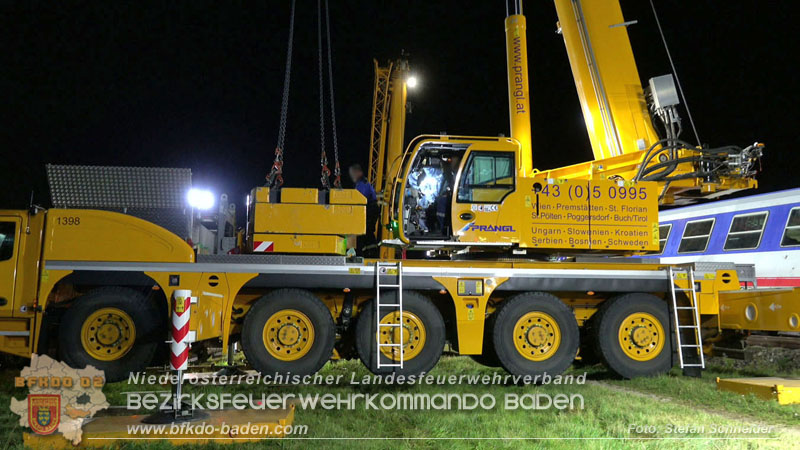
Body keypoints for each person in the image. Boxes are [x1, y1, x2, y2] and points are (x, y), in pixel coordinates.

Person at [348, 164, 379, 256]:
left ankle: (369, 253)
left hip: (369, 209)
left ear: (359, 173)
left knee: (365, 231)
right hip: (370, 209)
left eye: (353, 173)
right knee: (366, 233)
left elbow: (359, 198)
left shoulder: (362, 184)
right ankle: (368, 252)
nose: (352, 176)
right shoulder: (361, 184)